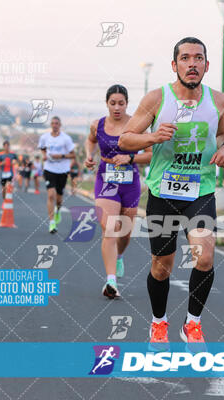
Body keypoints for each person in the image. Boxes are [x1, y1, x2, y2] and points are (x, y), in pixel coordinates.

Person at [118, 37, 224, 350]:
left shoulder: (218, 100)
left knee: (205, 256)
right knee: (162, 265)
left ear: (207, 66)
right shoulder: (157, 98)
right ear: (175, 65)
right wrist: (153, 136)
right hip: (164, 193)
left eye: (198, 58)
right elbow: (126, 140)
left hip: (201, 190)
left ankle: (192, 324)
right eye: (185, 58)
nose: (192, 64)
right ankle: (158, 323)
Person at [84, 84, 152, 299]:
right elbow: (91, 140)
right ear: (107, 103)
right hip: (106, 178)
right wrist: (89, 155)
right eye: (112, 103)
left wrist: (130, 157)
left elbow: (151, 155)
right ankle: (111, 280)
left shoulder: (137, 126)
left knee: (125, 231)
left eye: (121, 103)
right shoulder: (98, 125)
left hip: (130, 180)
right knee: (109, 227)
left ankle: (119, 255)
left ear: (127, 104)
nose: (117, 107)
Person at [38, 116, 76, 234]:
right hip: (49, 169)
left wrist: (61, 156)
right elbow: (43, 148)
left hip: (62, 170)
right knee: (51, 195)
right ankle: (52, 222)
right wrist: (44, 155)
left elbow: (73, 155)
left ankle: (58, 210)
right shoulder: (44, 137)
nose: (55, 125)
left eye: (57, 123)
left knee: (59, 199)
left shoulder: (66, 139)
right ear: (51, 125)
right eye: (53, 123)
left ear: (60, 125)